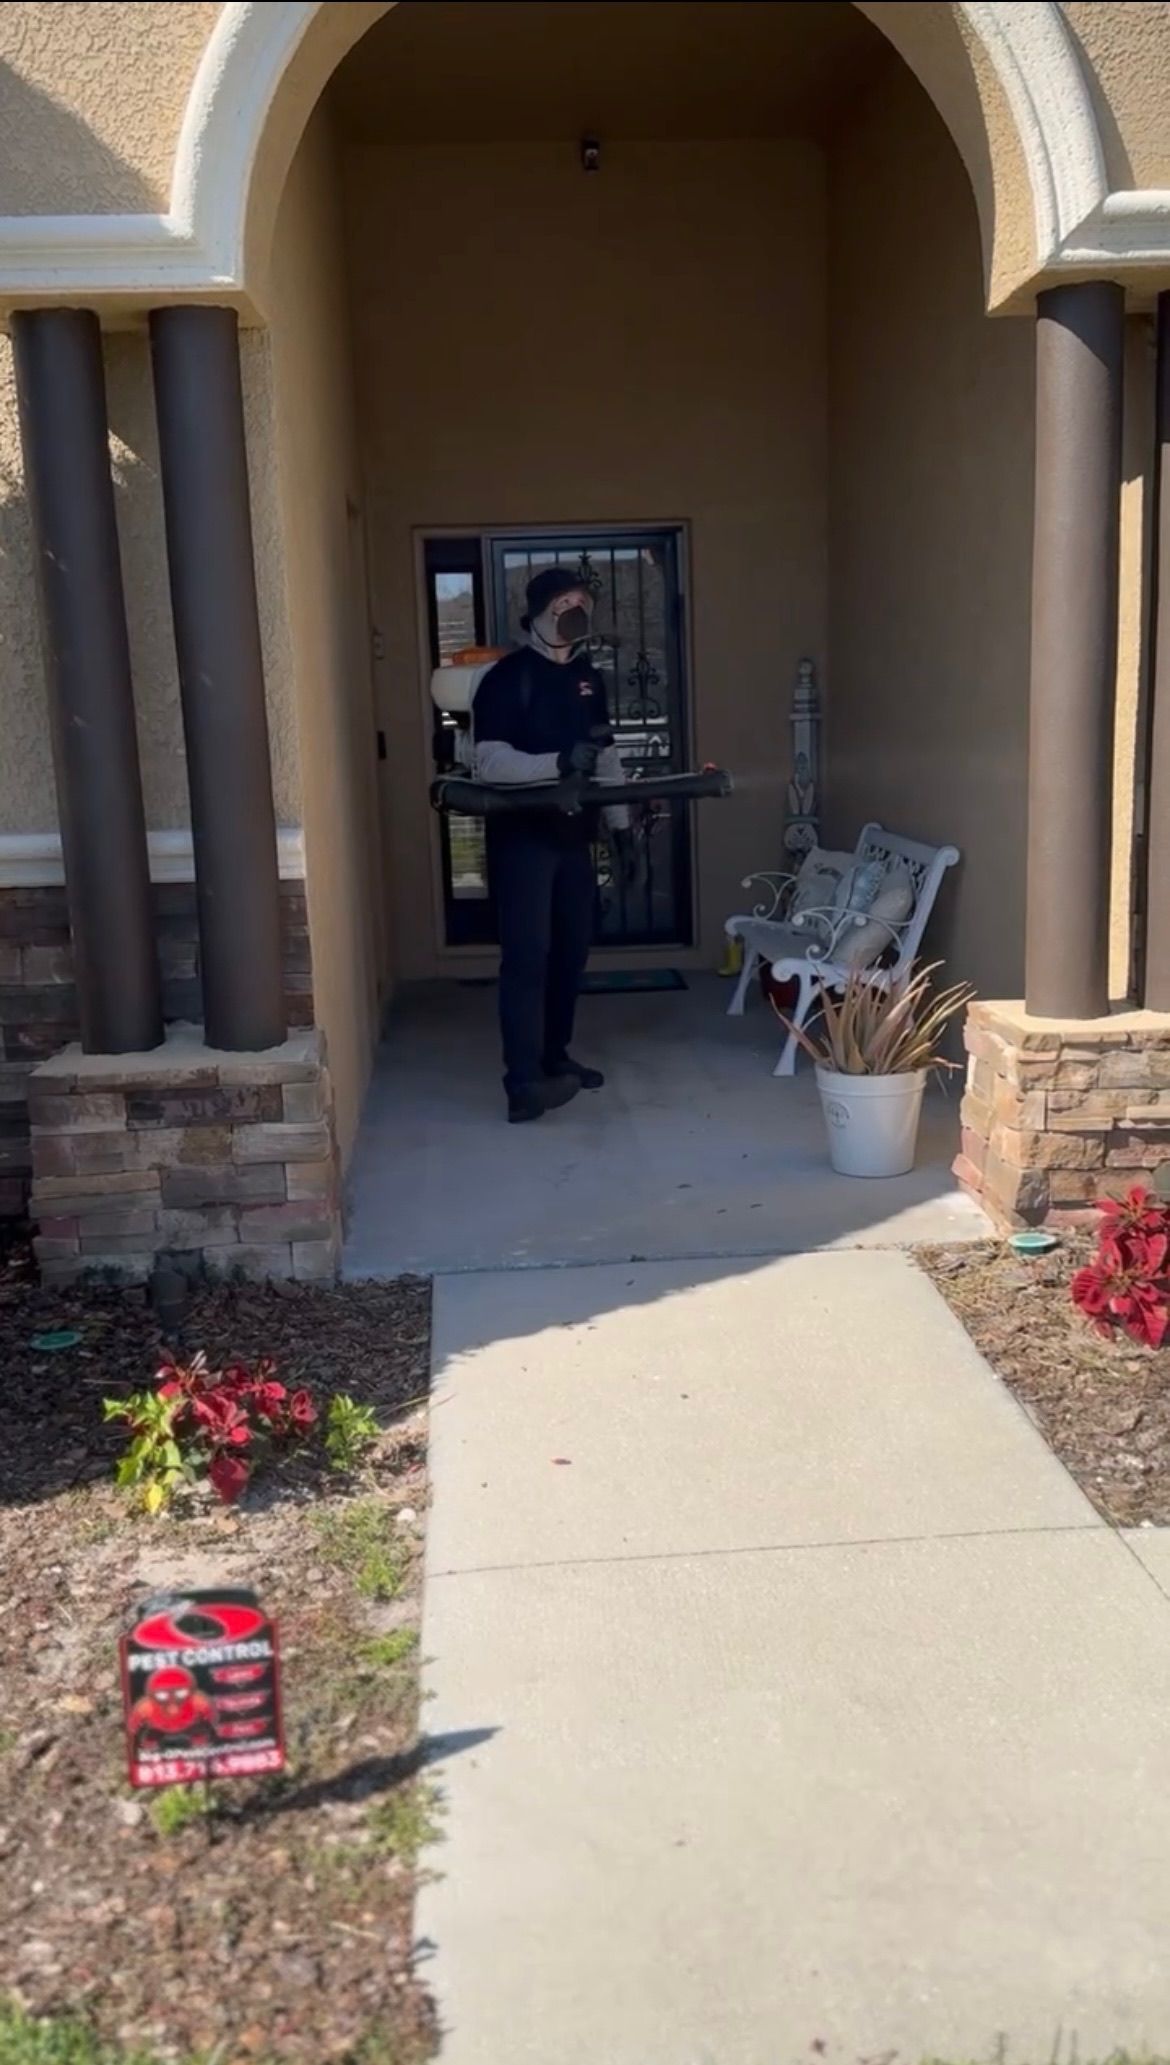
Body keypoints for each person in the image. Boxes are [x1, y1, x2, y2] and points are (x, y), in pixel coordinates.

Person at [473, 567, 637, 1123]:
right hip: (523, 842)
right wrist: (558, 763)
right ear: (540, 611)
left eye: (583, 602)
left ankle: (554, 1058)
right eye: (565, 602)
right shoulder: (506, 678)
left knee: (571, 954)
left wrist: (621, 829)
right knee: (527, 959)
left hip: (574, 839)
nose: (576, 611)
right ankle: (522, 1084)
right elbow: (488, 761)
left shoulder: (590, 679)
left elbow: (606, 756)